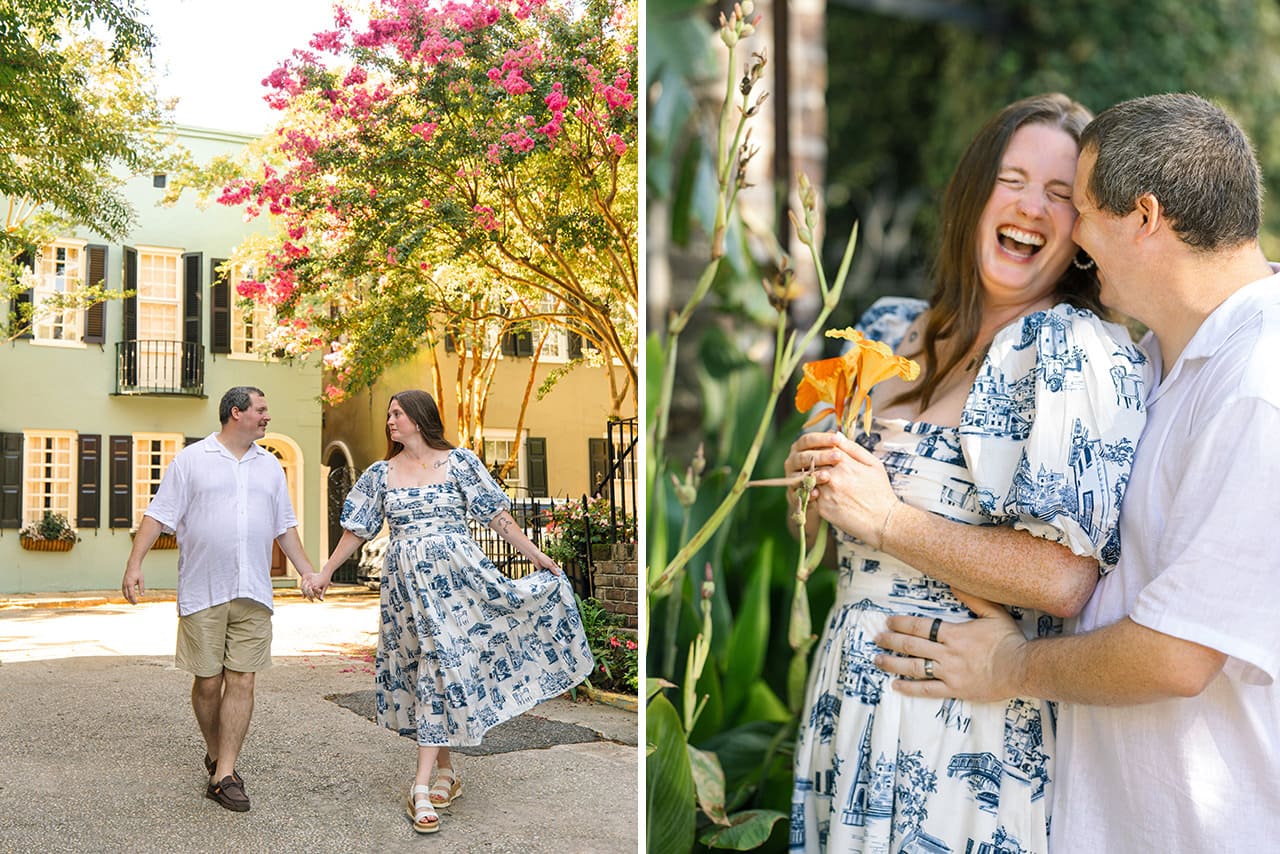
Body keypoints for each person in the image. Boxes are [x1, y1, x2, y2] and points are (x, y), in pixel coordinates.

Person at [874, 93, 1280, 849]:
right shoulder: (1163, 357)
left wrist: (1011, 665)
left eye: (1081, 207)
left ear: (1145, 217)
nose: (1076, 238)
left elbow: (1179, 654)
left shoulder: (1258, 387)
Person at [783, 94, 1151, 853]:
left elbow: (1066, 580)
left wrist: (888, 519)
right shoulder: (884, 328)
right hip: (848, 702)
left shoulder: (1071, 352)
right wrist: (816, 492)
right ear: (973, 195)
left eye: (1061, 195)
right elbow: (830, 535)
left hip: (962, 726)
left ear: (1083, 232)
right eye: (1013, 179)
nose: (1032, 207)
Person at [305, 389, 593, 834]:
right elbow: (355, 531)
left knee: (441, 664)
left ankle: (420, 788)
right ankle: (446, 772)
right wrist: (324, 572)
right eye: (389, 415)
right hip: (404, 590)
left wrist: (537, 556)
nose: (390, 421)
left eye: (398, 414)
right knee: (425, 669)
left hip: (458, 582)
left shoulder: (460, 463)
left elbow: (498, 517)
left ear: (420, 418)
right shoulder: (381, 474)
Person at [120, 385, 322, 813]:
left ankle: (225, 772)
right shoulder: (192, 461)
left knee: (243, 679)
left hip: (253, 589)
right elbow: (158, 515)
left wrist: (307, 571)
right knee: (208, 683)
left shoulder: (270, 467)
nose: (268, 417)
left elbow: (284, 527)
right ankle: (216, 755)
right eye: (261, 410)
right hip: (203, 588)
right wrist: (134, 564)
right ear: (237, 413)